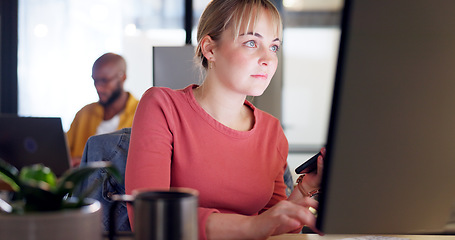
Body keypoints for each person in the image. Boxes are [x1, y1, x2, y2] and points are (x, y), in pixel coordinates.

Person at [125, 0, 325, 239]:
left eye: (274, 47)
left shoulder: (272, 132)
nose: (268, 59)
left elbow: (274, 225)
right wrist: (252, 226)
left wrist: (306, 188)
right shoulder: (162, 106)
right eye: (252, 43)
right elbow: (149, 217)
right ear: (210, 49)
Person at [67, 53, 139, 167]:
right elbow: (63, 152)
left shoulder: (141, 113)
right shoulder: (84, 113)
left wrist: (89, 162)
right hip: (81, 182)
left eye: (105, 80)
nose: (98, 87)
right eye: (95, 80)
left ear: (123, 77)